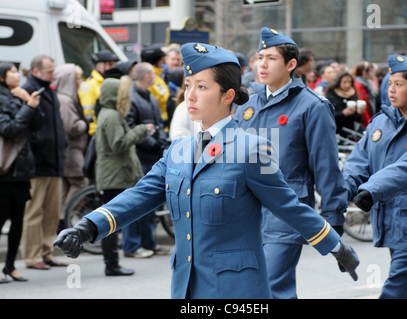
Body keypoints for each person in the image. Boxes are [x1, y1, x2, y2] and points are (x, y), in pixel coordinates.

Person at [54, 42, 359, 299]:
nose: (190, 95)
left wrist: (335, 245)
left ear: (228, 96)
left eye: (202, 87)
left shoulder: (252, 149)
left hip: (236, 290)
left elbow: (288, 207)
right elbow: (140, 195)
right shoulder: (179, 150)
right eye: (188, 86)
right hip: (186, 286)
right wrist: (89, 227)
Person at [234, 28, 349, 299]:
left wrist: (334, 216)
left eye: (271, 58)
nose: (262, 64)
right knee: (250, 288)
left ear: (291, 65)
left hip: (287, 210)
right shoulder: (247, 104)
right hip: (246, 209)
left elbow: (326, 165)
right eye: (260, 57)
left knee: (272, 287)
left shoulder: (312, 106)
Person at [343, 55, 407, 299]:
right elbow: (358, 163)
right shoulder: (380, 122)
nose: (391, 90)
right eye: (389, 83)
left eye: (399, 84)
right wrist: (344, 191)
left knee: (397, 282)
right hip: (386, 214)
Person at [94, 75, 154, 275]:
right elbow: (118, 144)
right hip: (114, 176)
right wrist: (140, 130)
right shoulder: (110, 115)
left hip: (115, 174)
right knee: (111, 221)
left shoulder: (110, 113)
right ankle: (111, 264)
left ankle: (112, 263)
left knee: (112, 220)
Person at [21, 55, 68, 270]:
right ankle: (32, 255)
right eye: (49, 71)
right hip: (38, 162)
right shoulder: (29, 90)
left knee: (51, 212)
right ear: (36, 71)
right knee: (34, 212)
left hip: (54, 159)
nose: (53, 74)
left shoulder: (49, 89)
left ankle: (46, 252)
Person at [0, 63, 43, 283]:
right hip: (4, 172)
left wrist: (28, 100)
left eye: (18, 71)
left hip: (21, 169)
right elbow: (8, 129)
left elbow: (37, 124)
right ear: (2, 77)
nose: (17, 75)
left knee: (18, 221)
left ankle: (10, 266)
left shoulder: (18, 95)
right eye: (12, 72)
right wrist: (28, 106)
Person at [123, 62, 170, 258]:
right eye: (153, 74)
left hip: (152, 156)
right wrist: (153, 143)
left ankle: (149, 243)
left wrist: (161, 141)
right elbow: (130, 127)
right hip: (140, 157)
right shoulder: (132, 99)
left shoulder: (149, 96)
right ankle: (132, 246)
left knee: (151, 202)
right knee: (136, 202)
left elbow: (157, 124)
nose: (156, 76)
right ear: (146, 77)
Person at [52, 64, 89, 232]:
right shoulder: (66, 100)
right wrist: (84, 122)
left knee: (66, 185)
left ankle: (60, 218)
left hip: (67, 150)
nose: (80, 82)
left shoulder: (60, 97)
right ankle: (64, 216)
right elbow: (71, 127)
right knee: (80, 182)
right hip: (72, 150)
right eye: (77, 79)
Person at [78, 50, 119, 136]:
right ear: (100, 66)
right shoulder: (89, 85)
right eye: (110, 64)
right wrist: (95, 131)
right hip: (98, 132)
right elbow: (87, 112)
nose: (113, 67)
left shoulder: (108, 82)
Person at [325, 70, 363, 138]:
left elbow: (357, 119)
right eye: (344, 82)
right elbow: (327, 116)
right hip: (336, 133)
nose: (347, 85)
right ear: (339, 82)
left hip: (351, 132)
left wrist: (359, 112)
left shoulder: (353, 94)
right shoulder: (331, 95)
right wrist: (343, 113)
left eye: (349, 82)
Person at [141, 46, 170, 130]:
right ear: (155, 62)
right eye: (161, 60)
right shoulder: (149, 79)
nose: (162, 63)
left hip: (163, 123)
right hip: (158, 125)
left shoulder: (157, 77)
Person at [353, 61, 376, 128]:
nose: (373, 73)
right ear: (364, 73)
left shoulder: (366, 83)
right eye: (371, 71)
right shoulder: (359, 85)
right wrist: (369, 121)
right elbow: (363, 105)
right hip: (364, 121)